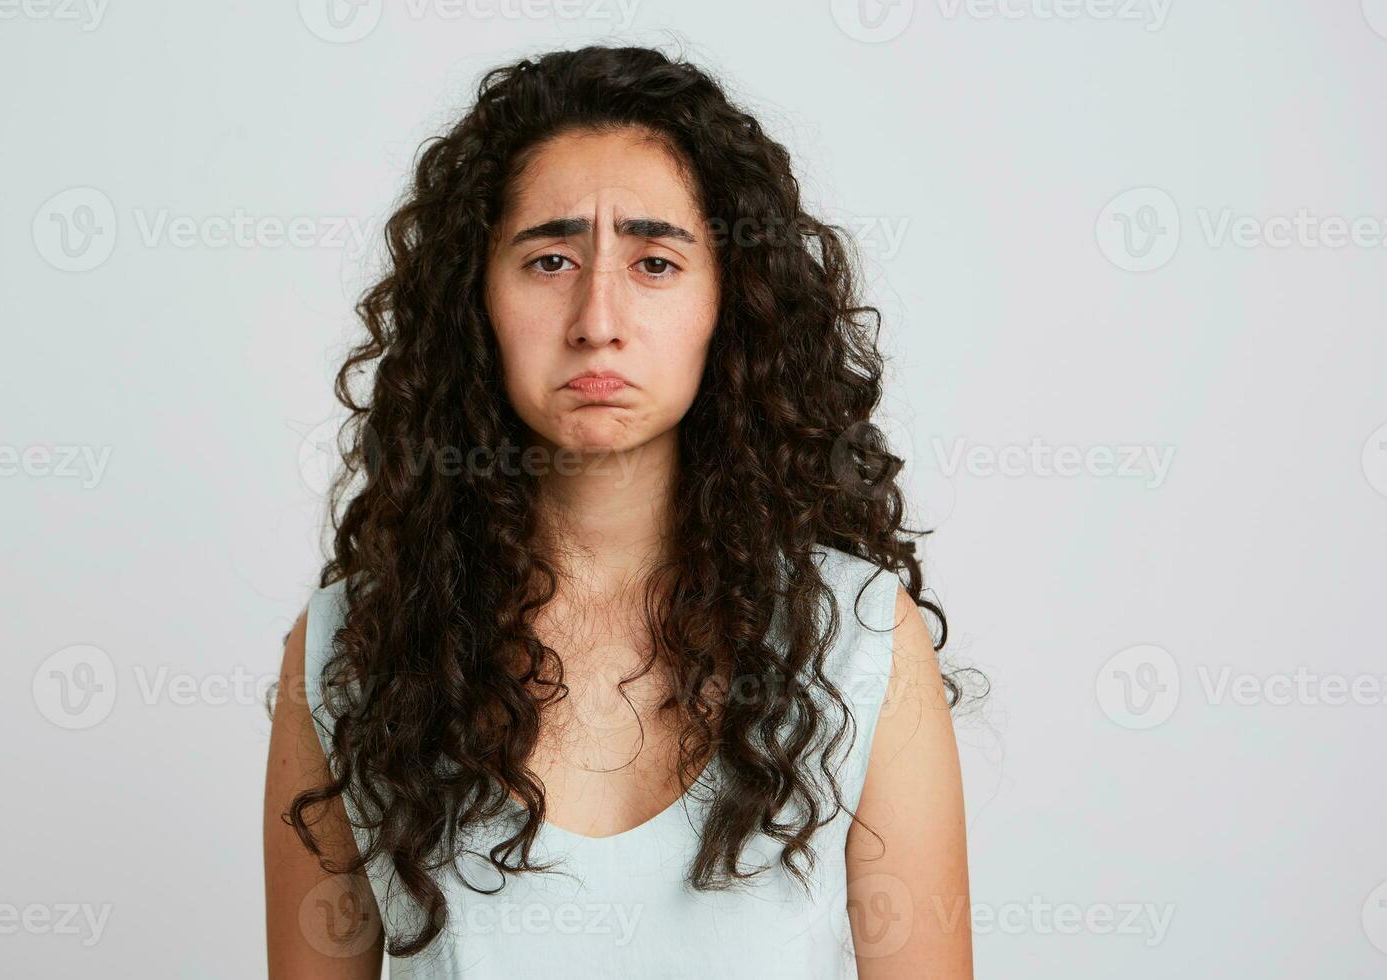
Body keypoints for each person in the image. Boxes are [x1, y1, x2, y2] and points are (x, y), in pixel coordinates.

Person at [264, 43, 975, 979]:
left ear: (731, 299)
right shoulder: (351, 649)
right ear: (475, 299)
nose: (598, 315)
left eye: (655, 262)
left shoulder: (862, 641)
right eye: (550, 258)